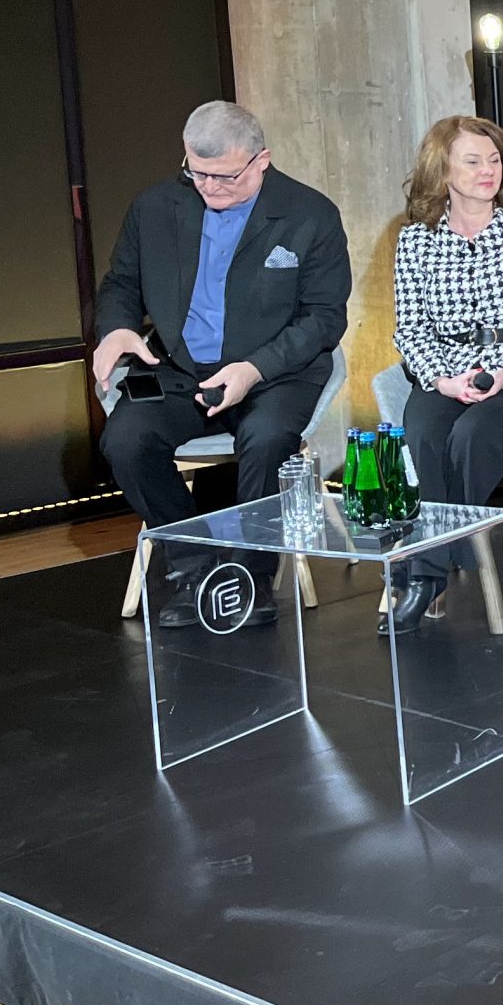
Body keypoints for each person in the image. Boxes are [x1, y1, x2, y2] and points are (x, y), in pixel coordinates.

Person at [91, 100, 351, 628]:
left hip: (275, 372)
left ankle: (250, 579)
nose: (209, 187)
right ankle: (197, 567)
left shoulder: (310, 214)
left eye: (225, 176)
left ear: (261, 160)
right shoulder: (155, 207)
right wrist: (116, 327)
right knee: (126, 441)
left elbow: (324, 318)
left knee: (267, 439)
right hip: (181, 370)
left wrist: (252, 370)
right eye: (197, 172)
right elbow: (121, 283)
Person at [381, 117, 503, 635]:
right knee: (425, 432)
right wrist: (444, 381)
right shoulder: (416, 241)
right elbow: (410, 328)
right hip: (448, 370)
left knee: (472, 434)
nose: (488, 170)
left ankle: (424, 569)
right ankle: (441, 561)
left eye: (494, 160)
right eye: (473, 161)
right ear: (442, 170)